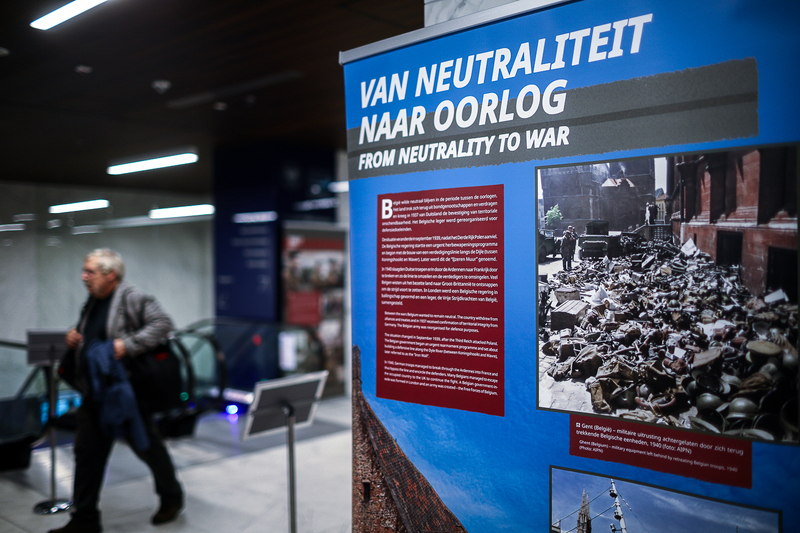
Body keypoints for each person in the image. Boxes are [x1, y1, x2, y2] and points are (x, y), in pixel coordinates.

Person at [51, 249, 183, 533]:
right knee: (87, 455)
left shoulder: (132, 297)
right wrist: (74, 335)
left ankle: (172, 497)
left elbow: (163, 324)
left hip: (126, 394)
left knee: (147, 447)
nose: (84, 277)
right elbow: (95, 333)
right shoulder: (92, 301)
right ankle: (84, 519)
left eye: (90, 272)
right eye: (84, 271)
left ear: (111, 275)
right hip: (95, 394)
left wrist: (127, 345)